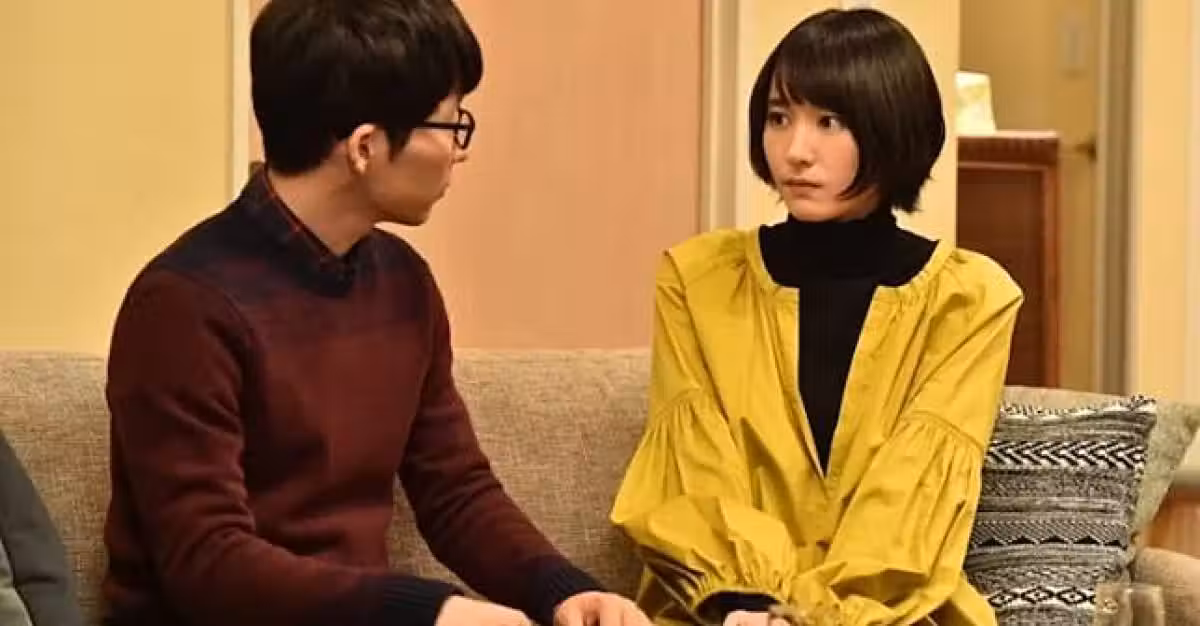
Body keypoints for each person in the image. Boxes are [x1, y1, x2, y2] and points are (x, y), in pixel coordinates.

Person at [101, 1, 649, 625]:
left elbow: (455, 492)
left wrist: (562, 589)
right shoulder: (184, 306)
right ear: (365, 146)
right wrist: (429, 614)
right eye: (450, 124)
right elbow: (208, 564)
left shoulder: (403, 282)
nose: (459, 151)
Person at [610, 8, 1022, 626]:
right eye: (779, 118)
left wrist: (811, 618)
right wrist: (750, 603)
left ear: (893, 126)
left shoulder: (970, 299)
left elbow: (910, 502)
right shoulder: (697, 280)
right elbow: (695, 475)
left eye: (829, 122)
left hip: (888, 617)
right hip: (728, 613)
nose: (796, 151)